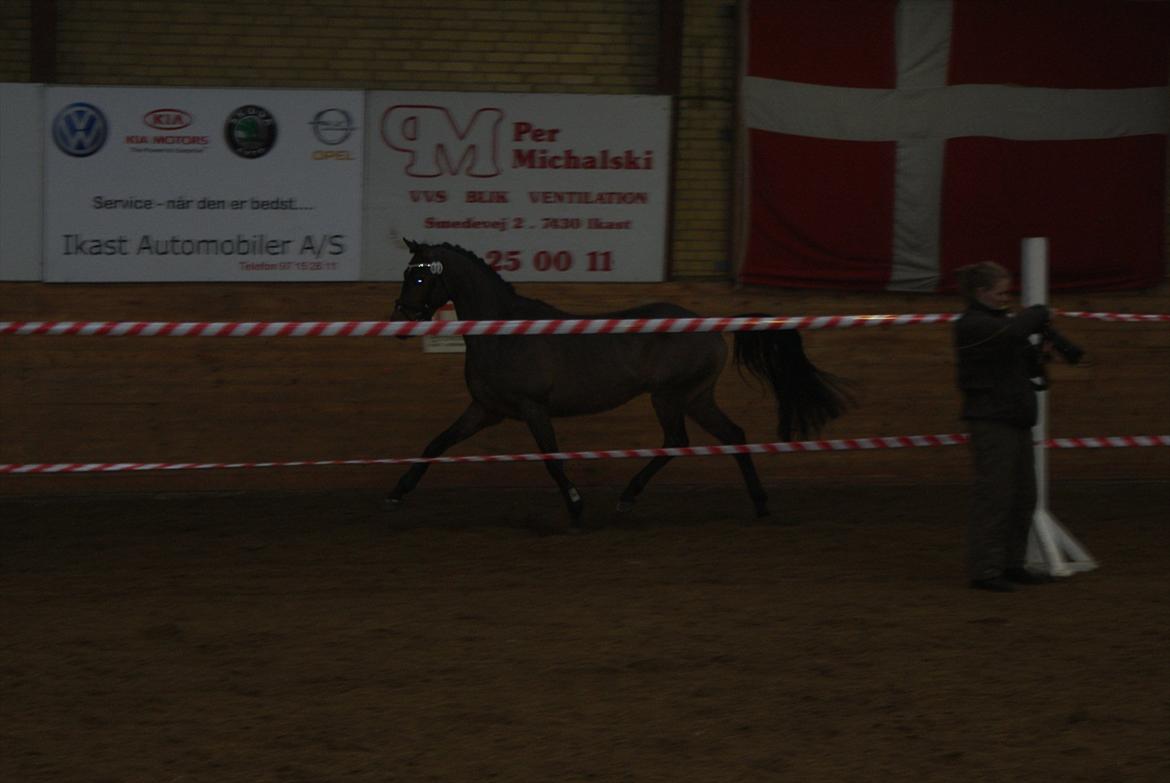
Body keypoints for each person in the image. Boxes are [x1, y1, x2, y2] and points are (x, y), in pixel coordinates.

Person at [953, 261, 1055, 592]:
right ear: (981, 293)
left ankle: (1012, 563)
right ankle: (985, 570)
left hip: (1014, 416)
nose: (1004, 297)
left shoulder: (1000, 323)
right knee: (994, 496)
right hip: (991, 419)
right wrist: (1038, 313)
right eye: (999, 292)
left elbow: (1022, 359)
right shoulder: (972, 325)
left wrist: (1039, 356)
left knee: (1024, 496)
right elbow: (1013, 333)